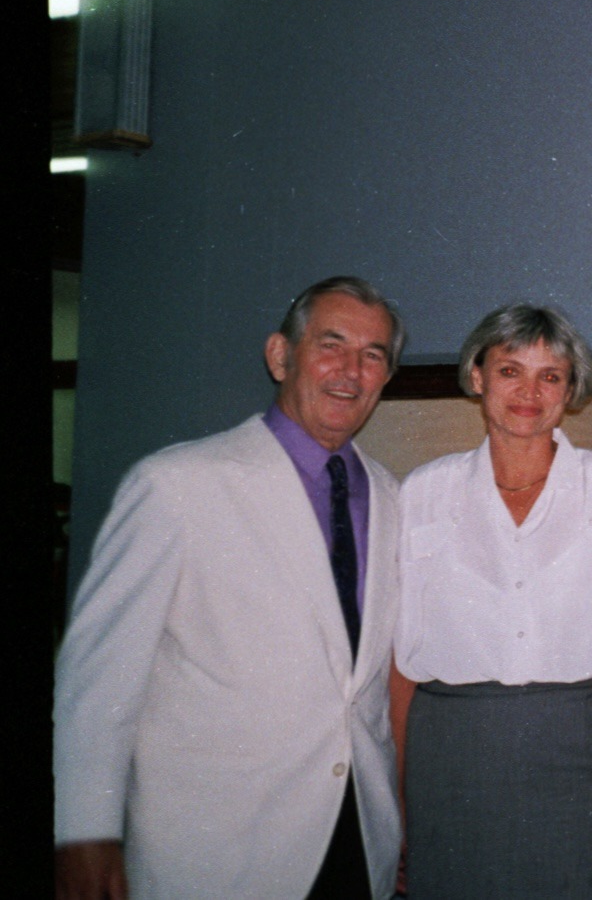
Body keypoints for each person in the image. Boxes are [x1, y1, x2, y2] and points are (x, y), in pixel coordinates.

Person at [54, 276, 408, 899]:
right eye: (331, 343)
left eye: (373, 354)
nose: (351, 370)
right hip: (216, 846)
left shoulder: (393, 497)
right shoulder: (177, 486)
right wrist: (84, 832)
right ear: (280, 355)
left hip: (357, 836)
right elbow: (98, 680)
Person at [391, 304, 592, 899]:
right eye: (510, 371)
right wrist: (394, 797)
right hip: (449, 761)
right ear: (477, 377)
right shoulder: (423, 491)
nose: (530, 392)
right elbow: (400, 661)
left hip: (580, 760)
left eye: (550, 375)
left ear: (571, 389)